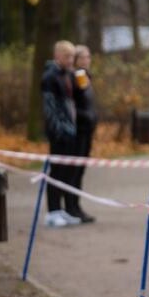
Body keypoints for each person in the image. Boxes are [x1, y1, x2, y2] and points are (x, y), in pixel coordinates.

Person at [40, 39, 80, 228]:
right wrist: (59, 130)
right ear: (57, 56)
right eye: (67, 56)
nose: (70, 60)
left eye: (72, 56)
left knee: (67, 172)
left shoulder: (67, 74)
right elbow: (50, 108)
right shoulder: (50, 77)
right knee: (56, 171)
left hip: (70, 130)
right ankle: (53, 211)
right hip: (59, 133)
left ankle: (62, 209)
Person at [66, 44, 97, 224]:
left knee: (80, 171)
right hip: (78, 131)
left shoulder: (85, 77)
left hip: (88, 130)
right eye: (83, 57)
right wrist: (85, 116)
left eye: (88, 57)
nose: (86, 60)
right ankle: (70, 207)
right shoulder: (74, 77)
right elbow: (74, 105)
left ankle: (76, 205)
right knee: (74, 171)